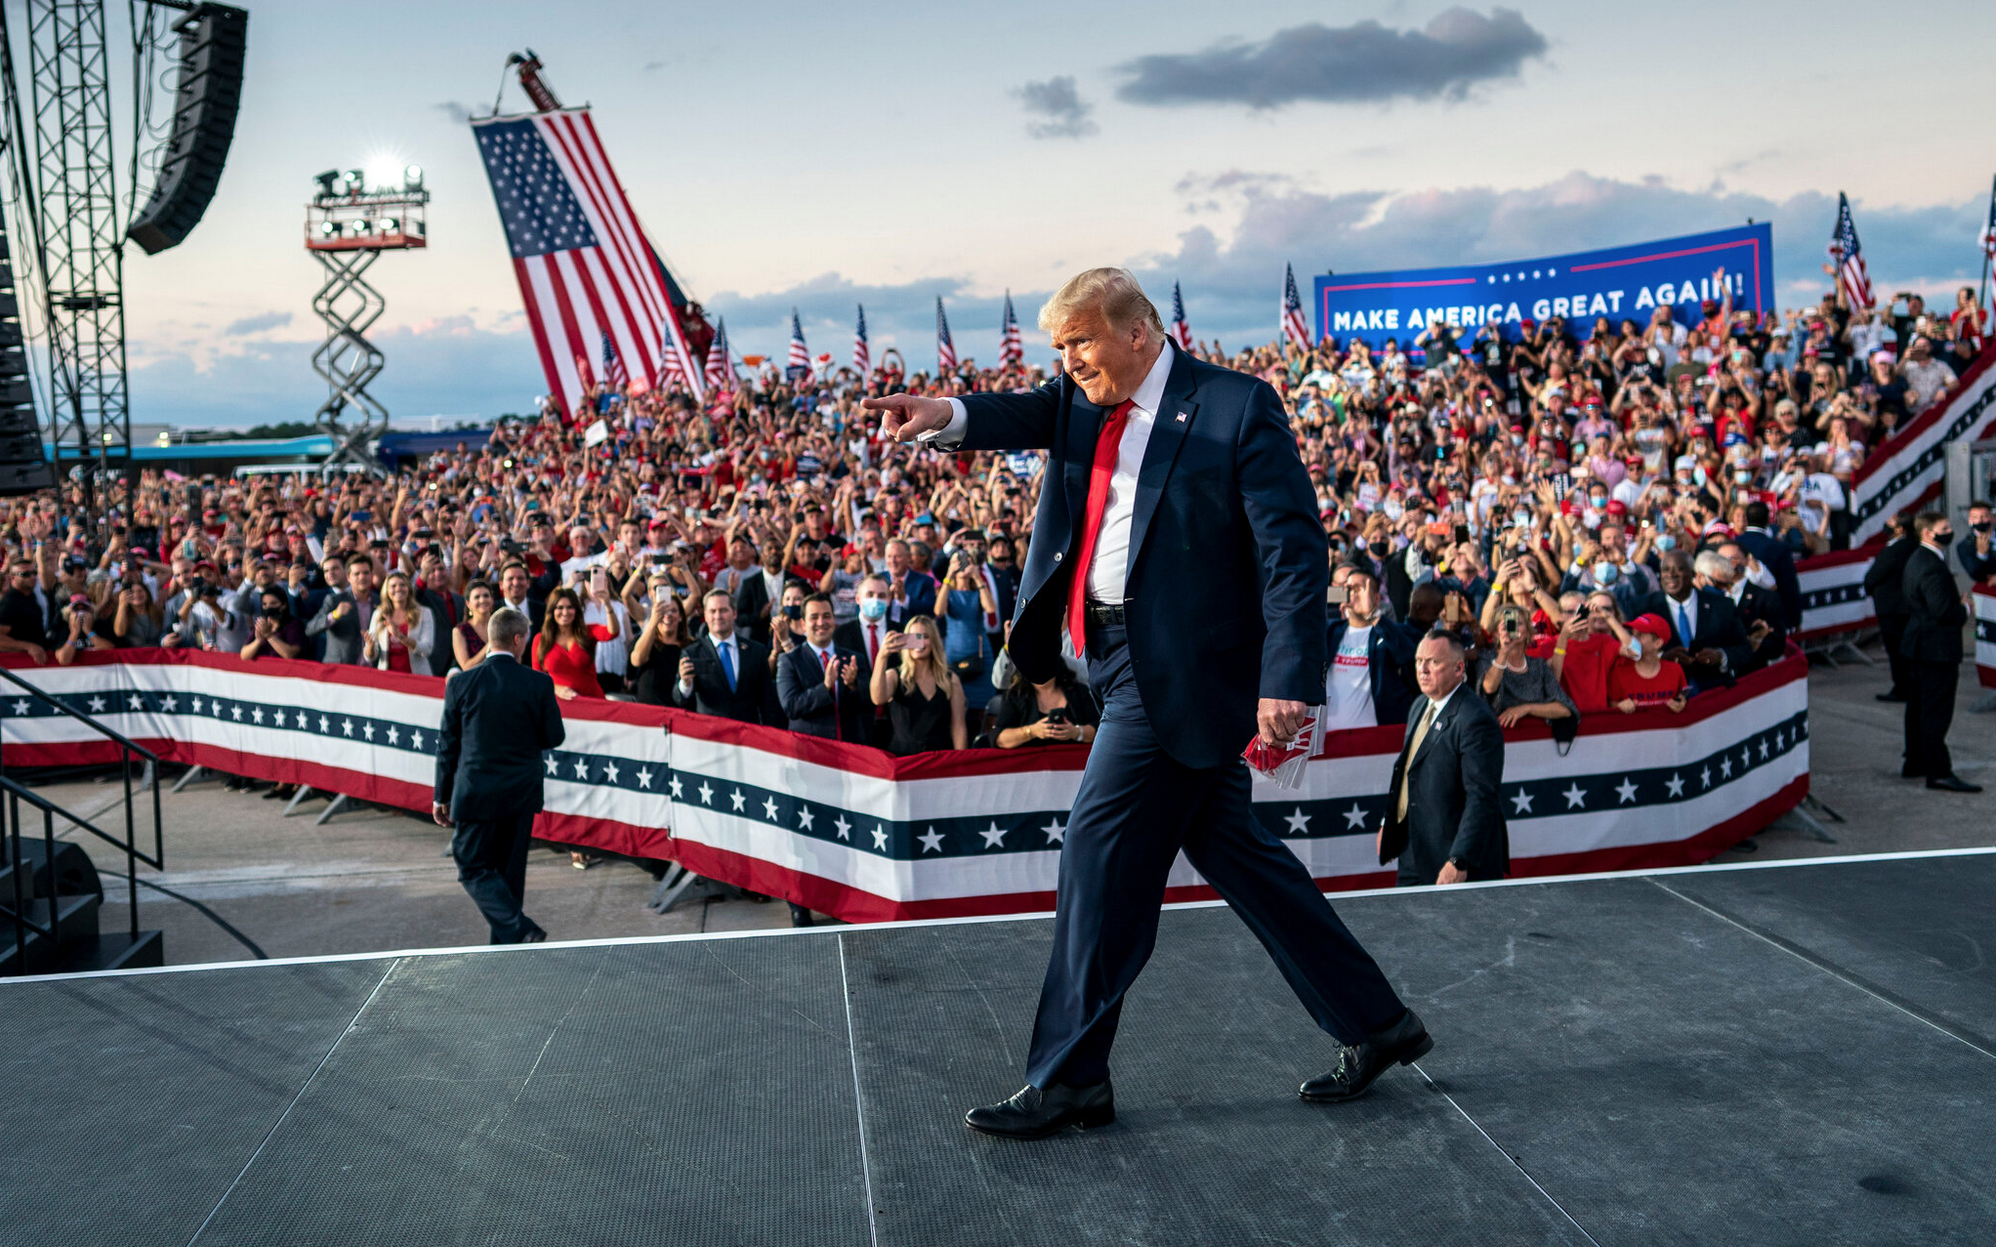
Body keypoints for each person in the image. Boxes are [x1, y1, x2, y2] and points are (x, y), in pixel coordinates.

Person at [865, 267, 1423, 1139]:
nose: (1068, 361)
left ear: (1136, 333)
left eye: (1079, 341)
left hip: (1185, 675)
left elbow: (1293, 553)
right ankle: (1378, 1023)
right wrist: (946, 414)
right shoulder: (1080, 398)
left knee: (1096, 855)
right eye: (1059, 347)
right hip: (1108, 661)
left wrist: (1289, 679)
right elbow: (1016, 410)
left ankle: (1070, 1077)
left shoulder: (1238, 407)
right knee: (1244, 859)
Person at [432, 606, 563, 944]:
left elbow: (448, 743)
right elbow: (554, 737)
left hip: (475, 792)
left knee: (472, 866)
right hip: (520, 792)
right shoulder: (538, 683)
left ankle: (516, 934)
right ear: (518, 639)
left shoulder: (461, 682)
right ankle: (514, 939)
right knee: (509, 874)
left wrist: (440, 795)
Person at [1378, 630, 1508, 886]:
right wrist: (1389, 821)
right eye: (1418, 661)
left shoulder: (1476, 719)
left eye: (1433, 662)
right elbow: (1408, 771)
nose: (1422, 670)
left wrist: (1460, 859)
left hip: (1453, 859)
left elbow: (1482, 797)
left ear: (1459, 668)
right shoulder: (1419, 705)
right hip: (1413, 850)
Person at [1900, 512, 1979, 792]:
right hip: (1936, 649)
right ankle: (1938, 771)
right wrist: (1965, 608)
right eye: (1943, 528)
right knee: (1935, 710)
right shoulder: (1930, 564)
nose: (1949, 531)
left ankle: (1915, 761)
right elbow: (1942, 610)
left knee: (1919, 706)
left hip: (1921, 645)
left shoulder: (1918, 559)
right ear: (1927, 533)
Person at [1628, 550, 1751, 694]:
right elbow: (1630, 653)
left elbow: (1745, 650)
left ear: (1693, 574)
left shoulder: (1722, 606)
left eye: (1679, 569)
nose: (1671, 574)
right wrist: (1661, 658)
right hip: (1664, 693)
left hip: (1714, 692)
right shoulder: (1642, 607)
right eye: (1666, 570)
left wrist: (1720, 656)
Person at [1323, 564, 1420, 729]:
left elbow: (1408, 656)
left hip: (1376, 740)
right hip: (1330, 737)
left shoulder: (1389, 631)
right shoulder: (1331, 631)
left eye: (1359, 588)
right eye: (1348, 588)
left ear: (1376, 598)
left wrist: (1373, 615)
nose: (1352, 594)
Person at [672, 587, 782, 723]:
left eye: (723, 610)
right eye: (713, 611)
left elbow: (768, 700)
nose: (718, 616)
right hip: (711, 736)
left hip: (748, 736)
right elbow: (679, 699)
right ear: (705, 616)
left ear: (734, 613)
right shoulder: (692, 653)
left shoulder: (756, 651)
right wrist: (685, 684)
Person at [775, 592, 869, 743]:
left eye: (826, 616)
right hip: (810, 752)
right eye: (814, 617)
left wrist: (853, 685)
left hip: (850, 748)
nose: (821, 622)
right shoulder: (789, 661)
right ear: (803, 624)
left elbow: (868, 702)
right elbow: (791, 707)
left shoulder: (854, 659)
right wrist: (825, 687)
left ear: (833, 620)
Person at [869, 614, 967, 754]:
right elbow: (878, 698)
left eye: (925, 637)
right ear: (905, 641)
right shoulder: (895, 676)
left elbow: (958, 726)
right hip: (904, 760)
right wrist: (882, 656)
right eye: (914, 637)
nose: (919, 643)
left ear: (934, 641)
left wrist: (960, 763)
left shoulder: (950, 680)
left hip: (939, 759)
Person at [1476, 603, 1578, 729]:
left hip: (1535, 739)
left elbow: (1565, 709)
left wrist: (1526, 709)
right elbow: (1489, 688)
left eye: (1518, 623)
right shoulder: (1486, 657)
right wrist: (1504, 652)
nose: (1512, 628)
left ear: (1529, 632)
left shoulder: (1538, 665)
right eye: (1506, 624)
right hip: (1498, 737)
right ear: (1496, 632)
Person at [1863, 514, 1918, 703]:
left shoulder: (1892, 551)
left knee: (1896, 652)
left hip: (1891, 610)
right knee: (1908, 650)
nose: (1886, 525)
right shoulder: (1915, 547)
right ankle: (1911, 685)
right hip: (1909, 608)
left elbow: (1872, 577)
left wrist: (1869, 587)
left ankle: (1902, 688)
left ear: (1900, 529)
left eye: (1890, 523)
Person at [993, 663, 1098, 748]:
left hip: (1073, 766)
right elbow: (999, 738)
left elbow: (1099, 730)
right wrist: (1031, 731)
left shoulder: (1078, 691)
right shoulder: (1015, 695)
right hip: (1032, 768)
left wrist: (1076, 732)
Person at [532, 586, 610, 700]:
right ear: (552, 611)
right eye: (559, 607)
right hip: (559, 705)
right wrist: (555, 688)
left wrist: (608, 605)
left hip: (592, 701)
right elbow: (537, 679)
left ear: (576, 610)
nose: (565, 612)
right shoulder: (540, 639)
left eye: (570, 607)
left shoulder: (588, 632)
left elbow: (612, 633)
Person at [627, 575, 691, 706]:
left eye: (673, 611)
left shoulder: (690, 647)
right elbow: (637, 660)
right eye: (663, 611)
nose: (667, 616)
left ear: (680, 617)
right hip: (649, 715)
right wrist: (653, 621)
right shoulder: (646, 643)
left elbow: (696, 595)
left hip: (679, 714)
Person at [1607, 614, 1688, 712]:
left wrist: (1681, 703)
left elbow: (1683, 699)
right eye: (1632, 634)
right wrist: (1620, 706)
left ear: (1657, 643)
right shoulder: (1619, 672)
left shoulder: (1675, 670)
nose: (1633, 639)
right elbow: (1611, 708)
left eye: (1640, 635)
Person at [307, 553, 375, 665]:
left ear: (372, 575)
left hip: (371, 670)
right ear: (348, 577)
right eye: (357, 573)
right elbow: (310, 629)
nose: (362, 577)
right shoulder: (334, 600)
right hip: (339, 669)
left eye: (366, 573)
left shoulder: (379, 601)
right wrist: (335, 615)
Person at [365, 570, 434, 673]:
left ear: (409, 589)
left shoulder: (424, 613)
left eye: (403, 585)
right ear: (387, 591)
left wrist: (399, 636)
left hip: (417, 676)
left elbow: (426, 649)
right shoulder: (379, 614)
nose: (398, 589)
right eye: (393, 586)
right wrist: (370, 648)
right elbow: (370, 657)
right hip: (388, 677)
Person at [0, 557, 49, 664]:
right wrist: (27, 646)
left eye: (34, 573)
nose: (32, 577)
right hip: (20, 667)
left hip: (38, 664)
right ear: (13, 578)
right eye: (25, 574)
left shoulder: (31, 596)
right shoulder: (10, 603)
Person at [240, 587, 306, 661]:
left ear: (283, 605)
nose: (268, 607)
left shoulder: (294, 624)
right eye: (264, 604)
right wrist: (258, 640)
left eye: (273, 603)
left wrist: (269, 636)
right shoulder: (261, 624)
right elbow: (244, 656)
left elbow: (290, 654)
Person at [452, 580, 498, 672]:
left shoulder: (500, 625)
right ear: (468, 604)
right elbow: (466, 666)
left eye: (486, 596)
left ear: (492, 600)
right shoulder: (460, 631)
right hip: (475, 681)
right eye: (477, 597)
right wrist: (491, 644)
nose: (482, 600)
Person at [1957, 500, 1996, 583]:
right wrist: (1982, 555)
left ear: (1993, 518)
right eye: (1975, 517)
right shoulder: (1965, 546)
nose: (1979, 521)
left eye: (1984, 516)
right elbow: (1976, 574)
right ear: (1970, 521)